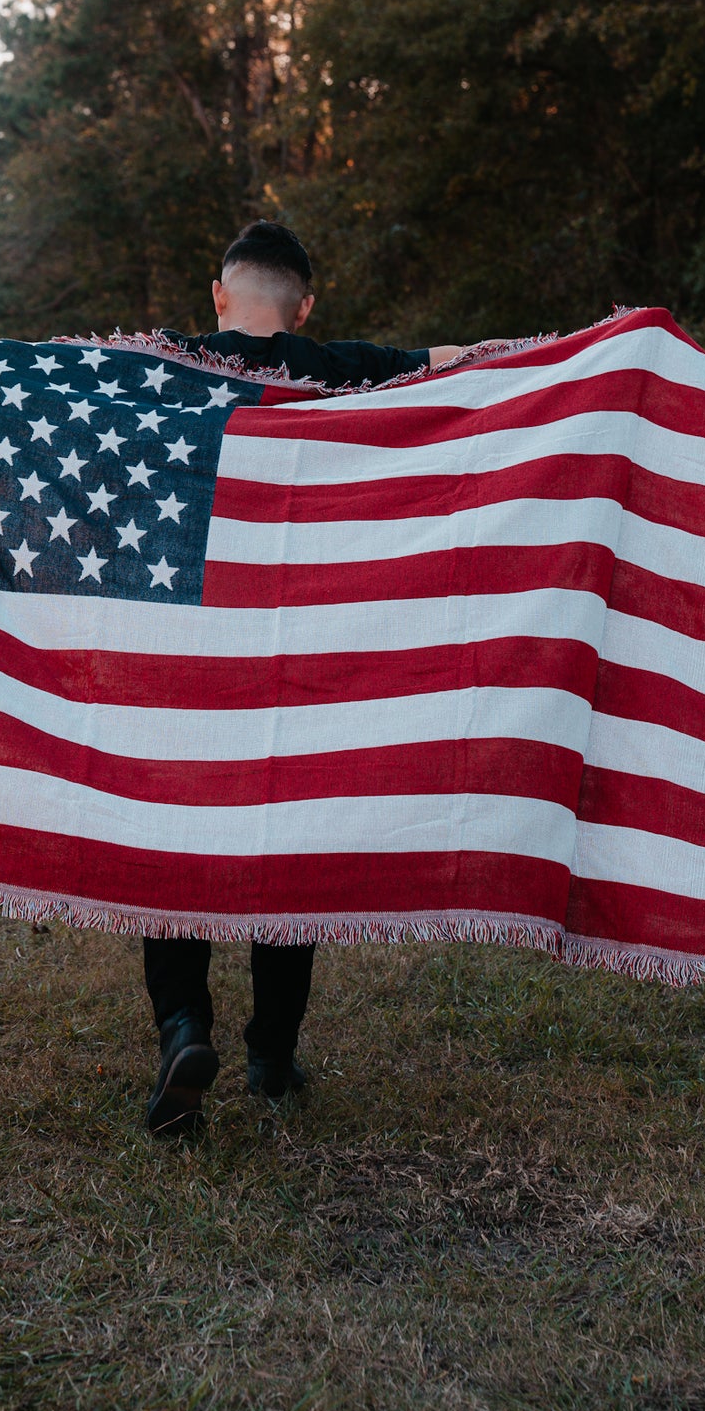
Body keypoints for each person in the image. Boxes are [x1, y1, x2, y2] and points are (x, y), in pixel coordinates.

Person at [143, 219, 463, 1135]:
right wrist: (571, 351)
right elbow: (456, 363)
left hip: (190, 653)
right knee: (291, 842)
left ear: (218, 292)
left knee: (177, 846)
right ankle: (271, 1053)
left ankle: (180, 1027)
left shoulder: (163, 366)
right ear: (305, 304)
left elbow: (54, 373)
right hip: (297, 658)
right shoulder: (335, 365)